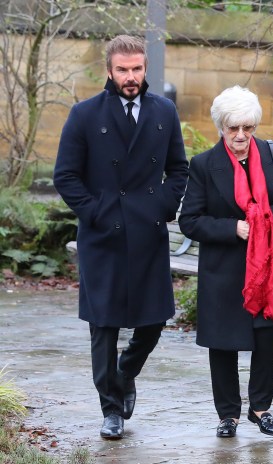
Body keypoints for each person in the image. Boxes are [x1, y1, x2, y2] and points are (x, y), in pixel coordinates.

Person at [54, 35, 189, 439]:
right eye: (122, 70)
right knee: (104, 324)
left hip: (148, 232)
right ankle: (110, 410)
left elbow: (179, 169)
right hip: (103, 235)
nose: (130, 77)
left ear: (145, 69)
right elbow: (65, 175)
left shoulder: (164, 112)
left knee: (153, 321)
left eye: (137, 69)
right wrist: (96, 212)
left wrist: (162, 206)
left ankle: (124, 374)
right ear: (109, 71)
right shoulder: (83, 114)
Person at [178, 86, 273, 439]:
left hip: (270, 267)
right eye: (233, 129)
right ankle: (228, 414)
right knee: (224, 342)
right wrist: (235, 227)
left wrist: (264, 220)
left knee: (267, 338)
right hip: (225, 269)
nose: (241, 136)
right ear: (221, 127)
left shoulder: (272, 155)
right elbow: (191, 220)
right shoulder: (203, 164)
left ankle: (261, 408)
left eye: (248, 128)